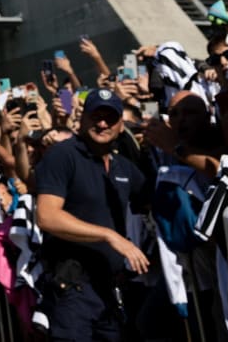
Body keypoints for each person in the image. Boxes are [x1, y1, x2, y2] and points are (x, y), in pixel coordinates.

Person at [34, 88, 151, 341]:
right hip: (73, 288)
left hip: (111, 291)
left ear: (121, 125)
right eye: (96, 116)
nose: (102, 123)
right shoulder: (63, 155)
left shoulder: (123, 167)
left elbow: (153, 201)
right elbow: (46, 216)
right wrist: (109, 236)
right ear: (82, 119)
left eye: (110, 118)